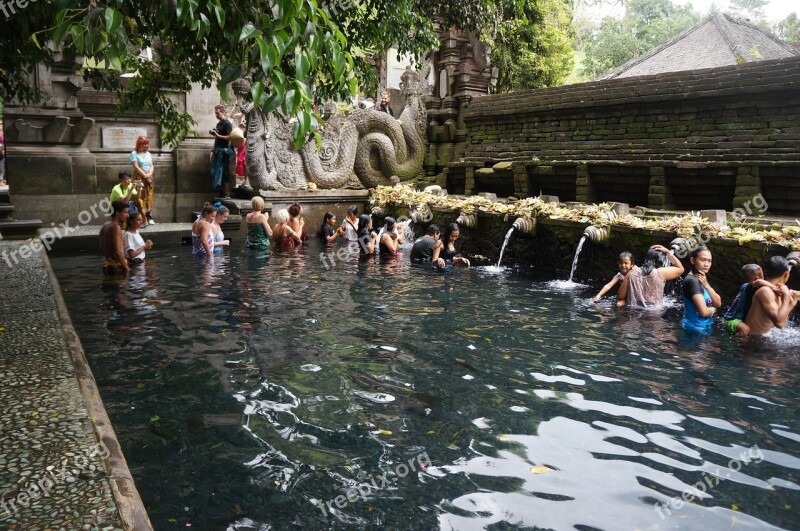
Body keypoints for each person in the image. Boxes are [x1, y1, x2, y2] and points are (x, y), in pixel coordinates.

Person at [744, 256, 800, 336]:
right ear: (786, 274)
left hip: (763, 340)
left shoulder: (780, 291)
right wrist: (787, 297)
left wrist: (791, 303)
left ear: (765, 272)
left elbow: (781, 320)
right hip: (753, 343)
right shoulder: (765, 291)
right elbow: (779, 323)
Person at [617, 244, 684, 308]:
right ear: (660, 260)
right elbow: (680, 269)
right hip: (654, 313)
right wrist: (667, 252)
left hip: (634, 312)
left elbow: (620, 296)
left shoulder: (632, 272)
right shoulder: (661, 273)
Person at [723, 264, 776, 336]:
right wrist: (776, 288)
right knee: (745, 329)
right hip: (731, 320)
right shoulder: (747, 287)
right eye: (762, 276)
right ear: (757, 277)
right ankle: (736, 341)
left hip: (739, 319)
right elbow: (759, 282)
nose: (764, 278)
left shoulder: (752, 289)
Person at [681, 246, 722, 333]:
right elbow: (703, 312)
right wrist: (713, 309)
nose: (706, 264)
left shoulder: (702, 279)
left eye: (709, 261)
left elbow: (718, 303)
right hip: (695, 329)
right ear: (692, 260)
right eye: (703, 260)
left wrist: (706, 284)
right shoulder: (692, 281)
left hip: (702, 327)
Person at [130, 136, 155, 224]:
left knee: (149, 196)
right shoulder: (134, 153)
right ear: (139, 144)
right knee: (139, 197)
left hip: (149, 177)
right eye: (144, 144)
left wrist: (149, 175)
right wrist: (145, 176)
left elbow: (152, 165)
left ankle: (149, 217)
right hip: (139, 178)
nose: (146, 146)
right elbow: (136, 167)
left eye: (147, 144)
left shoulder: (148, 154)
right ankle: (140, 218)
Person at [210, 104, 234, 198]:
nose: (216, 115)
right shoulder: (218, 124)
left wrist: (219, 136)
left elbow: (231, 137)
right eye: (215, 113)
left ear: (222, 112)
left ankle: (226, 192)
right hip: (218, 150)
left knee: (224, 172)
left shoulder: (227, 123)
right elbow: (217, 139)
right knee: (217, 172)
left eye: (218, 113)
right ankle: (221, 192)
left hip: (225, 151)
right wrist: (213, 150)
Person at [100, 200, 130, 272]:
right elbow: (118, 252)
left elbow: (102, 247)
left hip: (107, 265)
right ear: (117, 212)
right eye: (125, 212)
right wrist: (127, 269)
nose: (127, 215)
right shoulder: (116, 227)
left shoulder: (105, 225)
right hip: (116, 268)